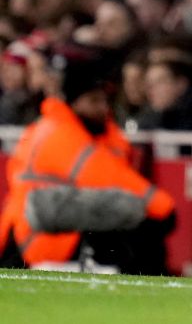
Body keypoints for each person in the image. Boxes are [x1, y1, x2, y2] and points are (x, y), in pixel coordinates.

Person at [0, 53, 175, 273]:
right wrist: (165, 208)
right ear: (74, 102)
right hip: (40, 239)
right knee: (140, 227)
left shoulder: (61, 126)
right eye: (94, 101)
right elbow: (112, 177)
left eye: (104, 100)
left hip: (37, 230)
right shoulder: (63, 135)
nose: (103, 108)